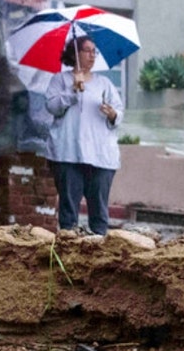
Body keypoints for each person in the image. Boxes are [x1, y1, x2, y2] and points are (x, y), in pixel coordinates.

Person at [44, 35, 124, 235]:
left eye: (94, 51)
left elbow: (119, 112)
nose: (92, 55)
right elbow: (52, 107)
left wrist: (112, 114)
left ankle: (99, 253)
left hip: (100, 155)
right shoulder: (60, 80)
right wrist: (72, 91)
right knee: (68, 211)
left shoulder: (104, 83)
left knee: (98, 210)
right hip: (68, 153)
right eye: (87, 50)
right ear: (75, 53)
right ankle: (69, 250)